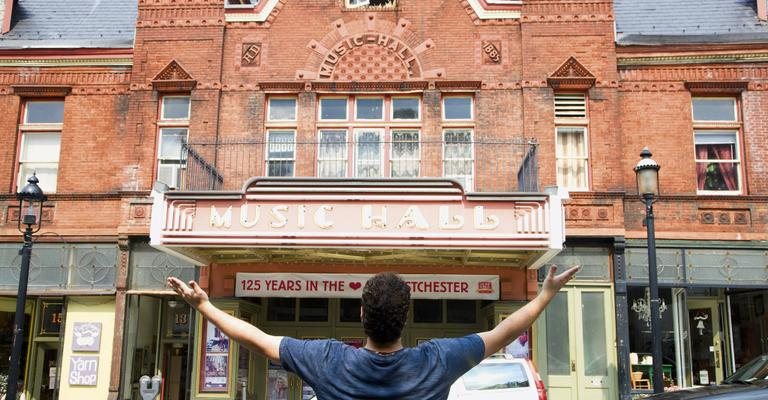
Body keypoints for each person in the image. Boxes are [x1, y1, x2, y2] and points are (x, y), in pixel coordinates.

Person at [167, 264, 580, 400]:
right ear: (407, 317)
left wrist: (204, 307)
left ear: (361, 313)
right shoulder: (437, 361)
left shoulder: (328, 360)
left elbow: (253, 337)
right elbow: (505, 331)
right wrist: (544, 295)